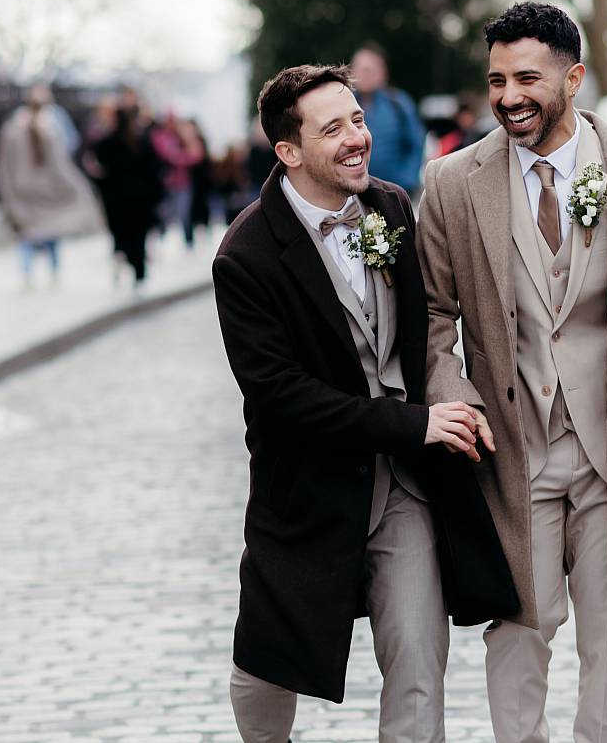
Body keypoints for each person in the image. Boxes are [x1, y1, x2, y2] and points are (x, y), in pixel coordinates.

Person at [417, 2, 607, 743]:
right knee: (520, 623)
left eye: (527, 78)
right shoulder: (452, 183)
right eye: (496, 80)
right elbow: (431, 315)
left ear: (573, 78)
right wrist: (453, 397)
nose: (509, 95)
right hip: (512, 449)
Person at [212, 63, 516, 743]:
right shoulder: (247, 256)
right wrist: (416, 422)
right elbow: (283, 397)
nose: (357, 138)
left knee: (417, 660)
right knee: (266, 668)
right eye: (333, 129)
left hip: (406, 485)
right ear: (288, 151)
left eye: (357, 119)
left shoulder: (390, 209)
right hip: (307, 489)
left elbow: (430, 327)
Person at [0, 88, 101, 287]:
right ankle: (53, 271)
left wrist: (6, 191)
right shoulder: (50, 129)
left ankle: (28, 274)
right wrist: (76, 185)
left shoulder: (12, 129)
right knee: (50, 231)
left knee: (27, 233)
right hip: (47, 191)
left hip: (21, 190)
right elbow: (61, 164)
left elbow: (2, 165)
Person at [90, 94, 164, 288]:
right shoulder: (142, 140)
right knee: (139, 238)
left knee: (123, 236)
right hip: (140, 199)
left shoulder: (107, 142)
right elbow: (154, 169)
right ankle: (139, 273)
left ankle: (126, 261)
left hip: (117, 200)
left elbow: (96, 166)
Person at [351, 43, 427, 195]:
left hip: (394, 190)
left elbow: (416, 144)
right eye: (359, 69)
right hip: (355, 191)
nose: (363, 75)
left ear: (382, 73)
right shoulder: (344, 104)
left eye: (369, 70)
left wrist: (407, 180)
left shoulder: (398, 103)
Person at [149, 112, 207, 249]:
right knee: (165, 212)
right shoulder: (162, 137)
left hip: (184, 183)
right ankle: (161, 235)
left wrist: (178, 158)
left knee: (184, 212)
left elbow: (196, 155)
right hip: (168, 183)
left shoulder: (183, 137)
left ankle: (189, 240)